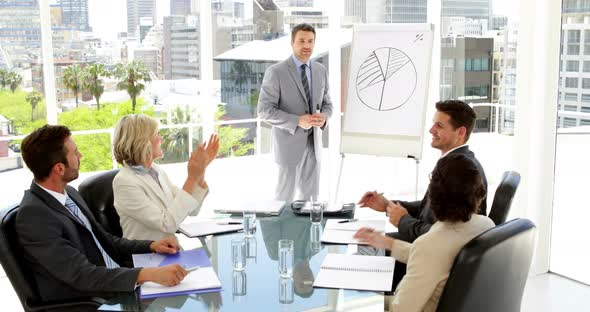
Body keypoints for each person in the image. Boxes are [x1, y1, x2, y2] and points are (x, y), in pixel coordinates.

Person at [16, 125, 190, 308]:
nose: (80, 156)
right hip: (95, 299)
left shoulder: (69, 193)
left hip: (116, 280)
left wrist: (151, 245)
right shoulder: (34, 216)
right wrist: (147, 274)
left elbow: (104, 240)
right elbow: (82, 275)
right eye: (75, 153)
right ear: (59, 168)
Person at [358, 100, 488, 288]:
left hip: (435, 254)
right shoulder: (456, 163)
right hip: (428, 243)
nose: (431, 130)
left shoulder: (461, 172)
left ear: (460, 132)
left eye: (439, 125)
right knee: (367, 244)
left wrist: (402, 221)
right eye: (433, 123)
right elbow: (428, 206)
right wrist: (388, 205)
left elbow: (440, 235)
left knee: (366, 250)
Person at [354, 154, 495, 311]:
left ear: (433, 198)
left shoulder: (431, 244)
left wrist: (366, 300)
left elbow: (401, 309)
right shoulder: (486, 225)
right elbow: (435, 256)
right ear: (478, 191)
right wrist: (388, 243)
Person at [112, 114, 219, 241]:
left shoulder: (156, 171)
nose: (161, 139)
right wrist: (191, 178)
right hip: (148, 256)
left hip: (170, 252)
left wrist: (201, 170)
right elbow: (167, 224)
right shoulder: (124, 182)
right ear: (142, 141)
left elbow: (192, 209)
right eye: (157, 134)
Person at [257, 23, 333, 203]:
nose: (306, 45)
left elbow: (327, 103)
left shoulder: (320, 71)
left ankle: (308, 232)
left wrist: (324, 117)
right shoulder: (276, 72)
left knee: (311, 203)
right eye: (301, 41)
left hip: (314, 146)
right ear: (292, 43)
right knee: (284, 201)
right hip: (288, 147)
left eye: (310, 41)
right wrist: (297, 120)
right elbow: (264, 110)